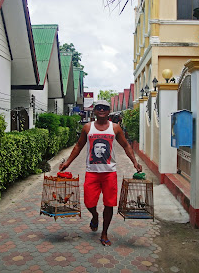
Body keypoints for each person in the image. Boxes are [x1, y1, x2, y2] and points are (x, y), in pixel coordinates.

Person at [59, 100, 142, 246]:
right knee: (89, 202)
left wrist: (134, 162)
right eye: (99, 108)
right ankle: (95, 216)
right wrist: (68, 162)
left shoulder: (115, 128)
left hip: (110, 173)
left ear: (108, 111)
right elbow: (79, 146)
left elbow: (126, 146)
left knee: (109, 204)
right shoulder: (88, 127)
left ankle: (104, 233)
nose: (102, 110)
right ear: (94, 111)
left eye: (104, 108)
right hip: (92, 172)